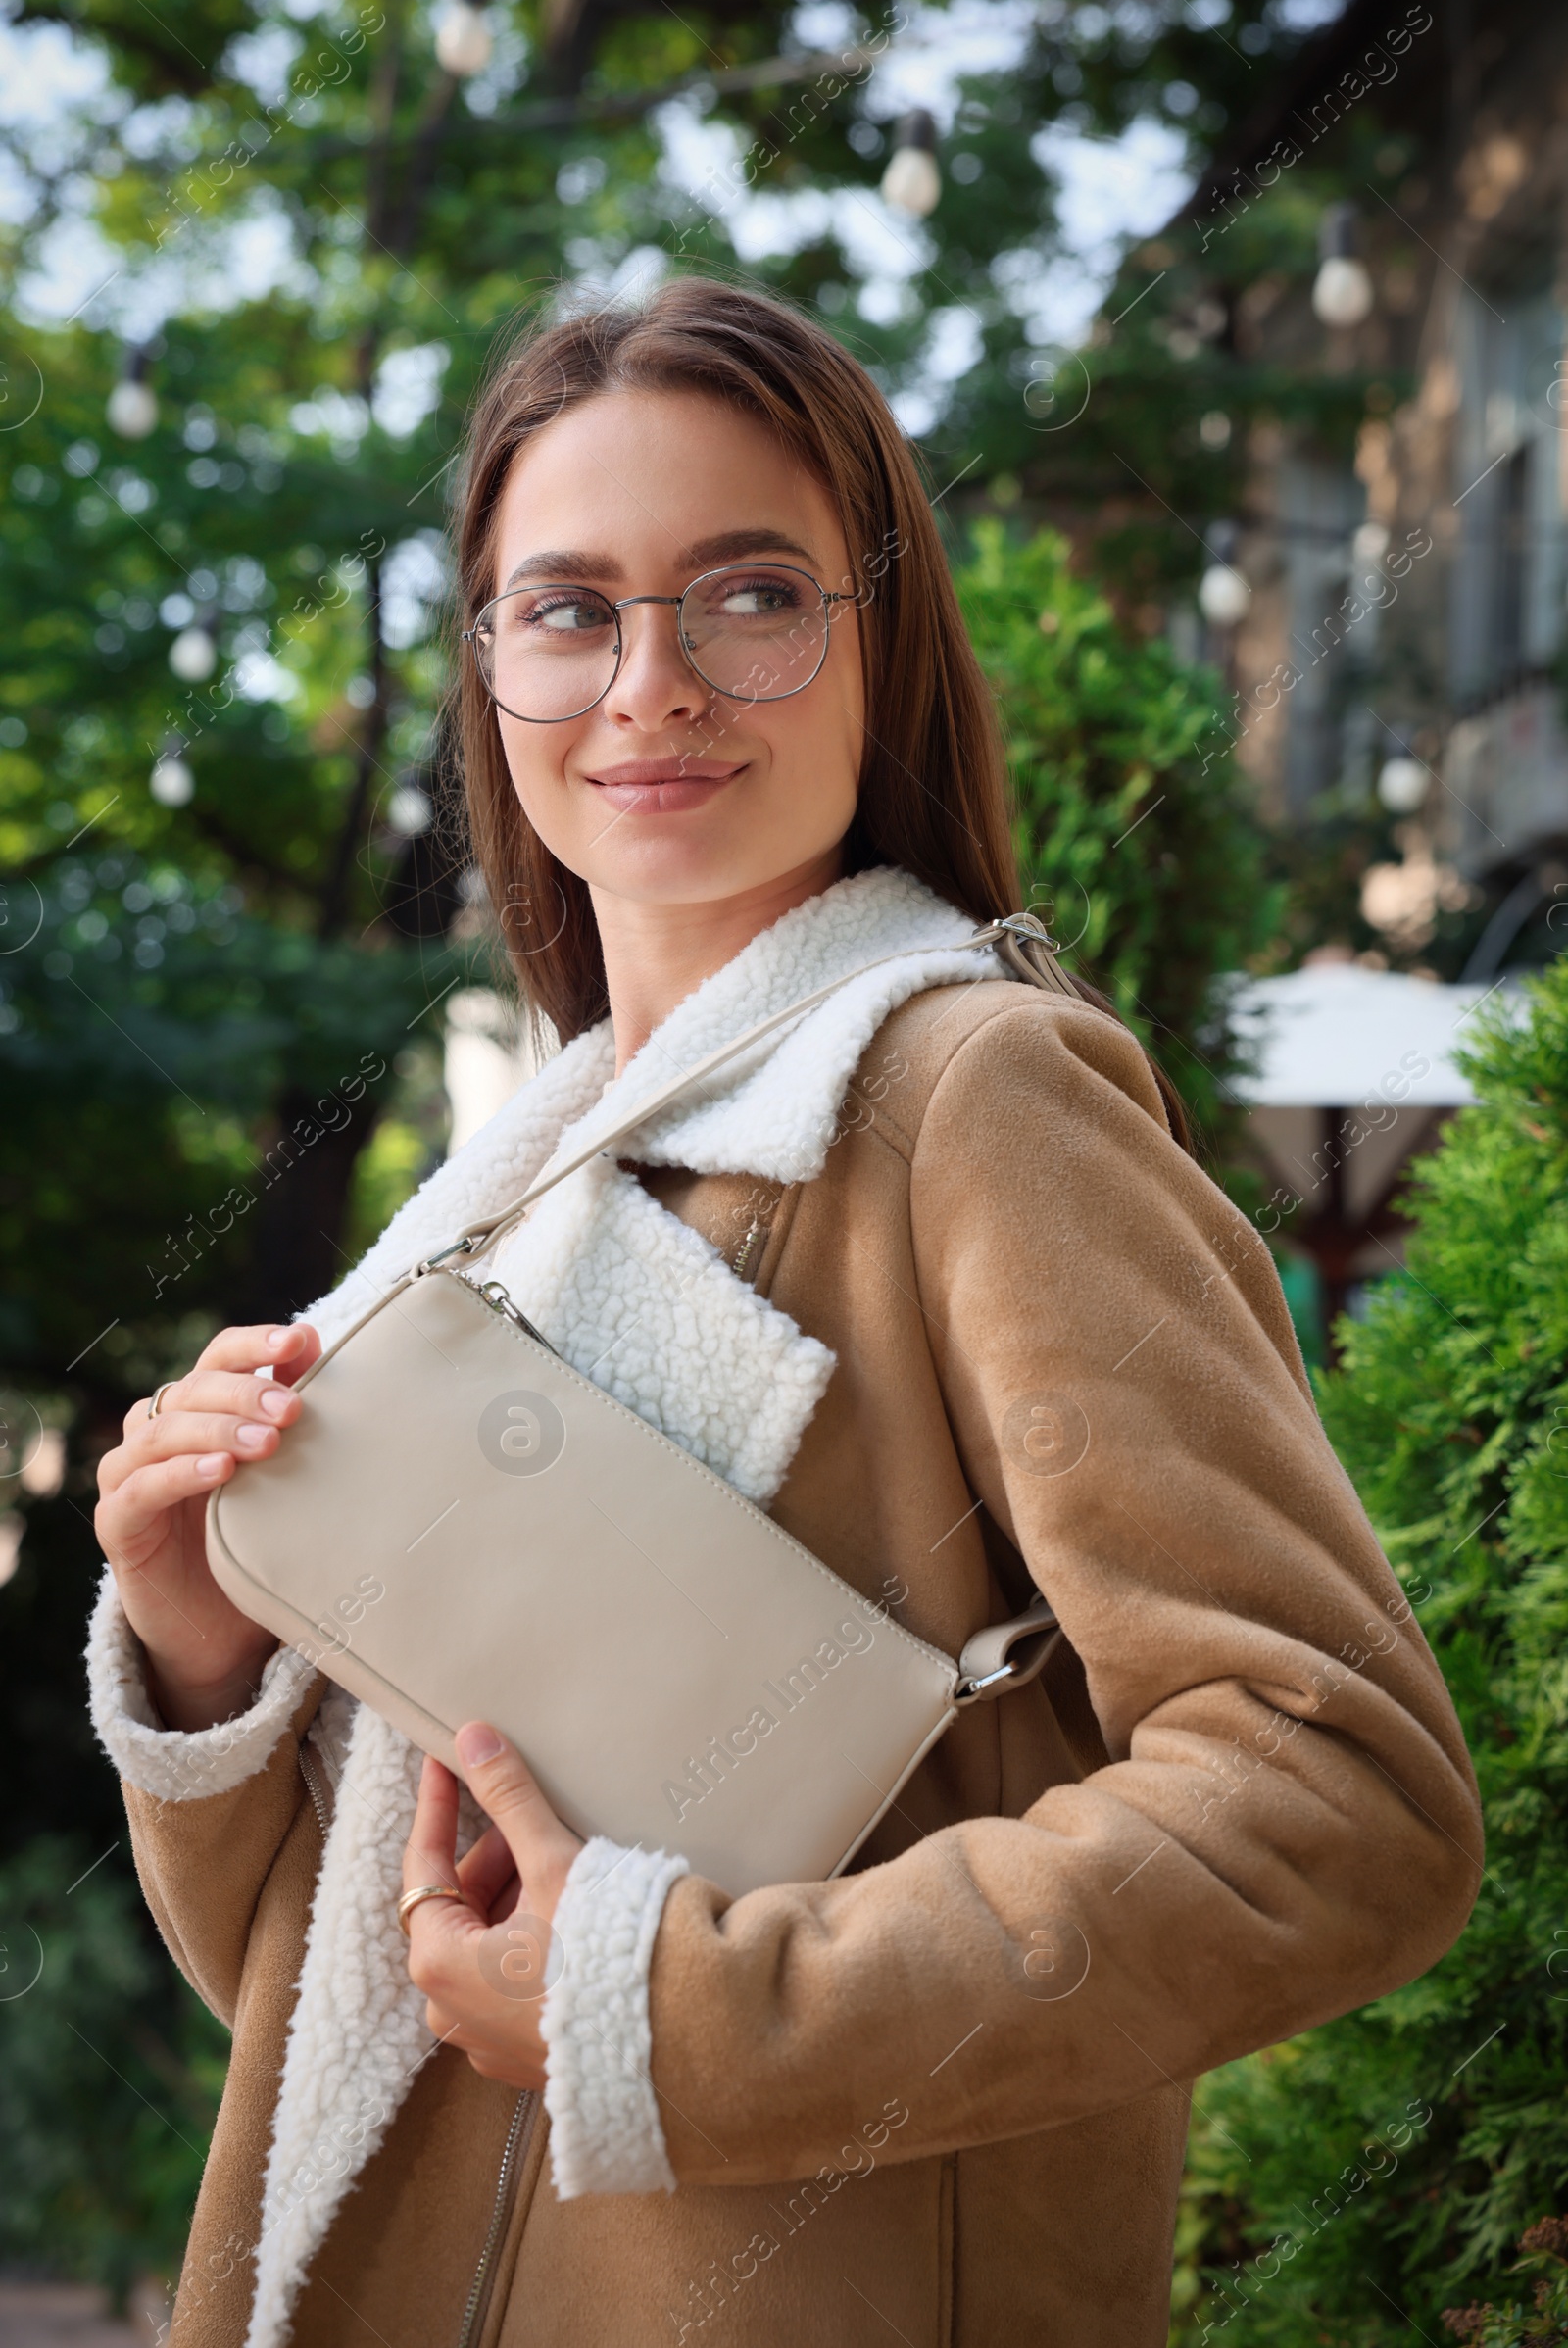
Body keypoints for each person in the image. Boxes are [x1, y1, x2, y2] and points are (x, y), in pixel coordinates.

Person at [89, 278, 1481, 2348]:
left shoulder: (971, 1093)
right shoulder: (505, 1195)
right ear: (487, 674)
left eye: (747, 595)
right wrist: (212, 1649)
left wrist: (679, 2001)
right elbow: (355, 2011)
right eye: (565, 612)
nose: (648, 684)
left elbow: (1336, 1800)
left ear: (877, 641)